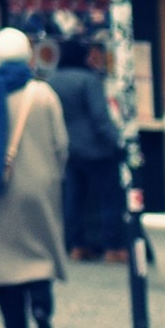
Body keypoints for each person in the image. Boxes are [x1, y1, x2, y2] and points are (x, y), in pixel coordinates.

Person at [0, 25, 67, 328]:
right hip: (38, 185)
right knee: (38, 253)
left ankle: (15, 326)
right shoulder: (42, 94)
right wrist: (54, 173)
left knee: (2, 260)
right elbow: (61, 143)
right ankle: (41, 307)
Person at [51, 32, 126, 257]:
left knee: (74, 198)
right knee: (109, 198)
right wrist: (116, 142)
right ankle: (113, 247)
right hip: (97, 149)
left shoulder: (53, 81)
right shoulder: (88, 80)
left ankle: (77, 245)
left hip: (69, 148)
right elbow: (99, 117)